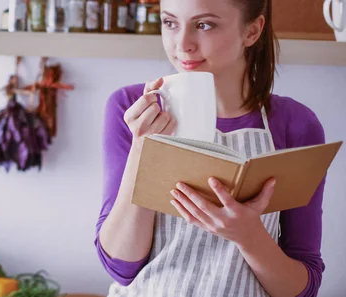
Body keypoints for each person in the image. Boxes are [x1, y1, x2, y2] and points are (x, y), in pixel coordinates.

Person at [95, 0, 326, 296]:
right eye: (170, 23)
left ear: (252, 31)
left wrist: (249, 236)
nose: (182, 44)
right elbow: (120, 267)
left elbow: (301, 289)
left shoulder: (296, 125)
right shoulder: (130, 109)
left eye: (204, 25)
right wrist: (144, 147)